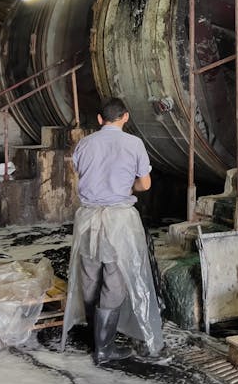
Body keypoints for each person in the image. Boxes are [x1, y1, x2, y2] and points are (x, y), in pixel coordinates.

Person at [60, 97, 164, 364]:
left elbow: (81, 175)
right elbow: (145, 184)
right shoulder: (134, 144)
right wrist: (127, 188)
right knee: (115, 281)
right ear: (125, 117)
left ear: (99, 119)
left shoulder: (84, 144)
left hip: (88, 219)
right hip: (119, 221)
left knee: (90, 277)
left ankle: (94, 341)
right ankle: (104, 348)